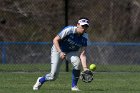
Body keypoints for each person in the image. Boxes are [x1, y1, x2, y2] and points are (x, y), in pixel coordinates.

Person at [33, 17, 90, 91]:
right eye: (83, 26)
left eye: (86, 26)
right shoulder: (69, 30)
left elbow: (82, 54)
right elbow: (55, 40)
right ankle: (40, 80)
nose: (84, 28)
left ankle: (74, 86)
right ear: (78, 25)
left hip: (71, 51)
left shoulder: (85, 36)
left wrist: (85, 68)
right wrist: (60, 52)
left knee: (77, 62)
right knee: (53, 76)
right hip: (58, 49)